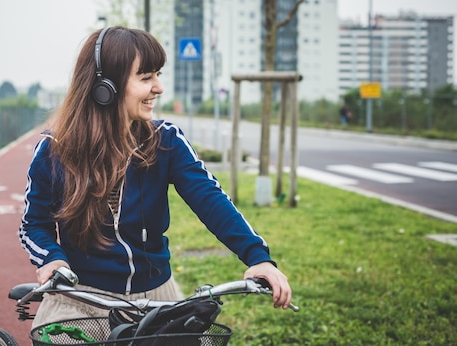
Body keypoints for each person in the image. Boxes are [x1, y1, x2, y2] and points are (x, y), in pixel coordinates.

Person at [19, 26, 293, 328]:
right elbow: (35, 224)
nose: (159, 87)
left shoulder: (166, 141)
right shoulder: (54, 150)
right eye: (146, 77)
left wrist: (258, 258)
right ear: (105, 86)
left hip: (156, 298)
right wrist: (52, 260)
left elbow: (210, 199)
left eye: (158, 75)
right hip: (81, 299)